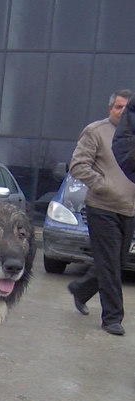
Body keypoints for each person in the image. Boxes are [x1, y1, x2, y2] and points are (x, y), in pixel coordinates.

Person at [67, 89, 135, 336]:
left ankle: (81, 289)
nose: (123, 112)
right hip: (102, 208)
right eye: (119, 107)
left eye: (128, 108)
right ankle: (113, 318)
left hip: (129, 210)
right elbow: (77, 165)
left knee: (115, 262)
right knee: (110, 267)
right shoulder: (96, 132)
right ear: (110, 109)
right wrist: (102, 185)